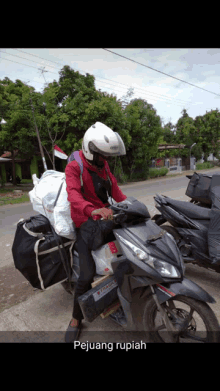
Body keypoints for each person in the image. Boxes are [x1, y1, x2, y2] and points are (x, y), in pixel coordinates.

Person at [65, 122, 127, 343]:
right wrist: (93, 210)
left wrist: (129, 204)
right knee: (86, 274)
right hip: (85, 222)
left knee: (130, 250)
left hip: (104, 216)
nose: (106, 160)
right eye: (102, 156)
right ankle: (75, 319)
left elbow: (115, 188)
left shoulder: (102, 164)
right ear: (91, 152)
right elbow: (73, 195)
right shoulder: (75, 166)